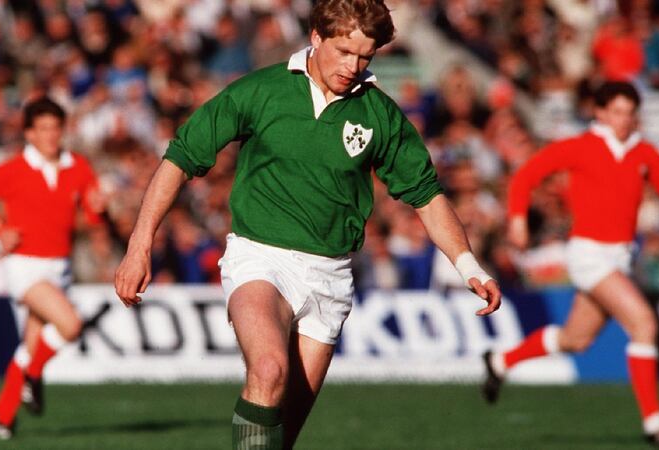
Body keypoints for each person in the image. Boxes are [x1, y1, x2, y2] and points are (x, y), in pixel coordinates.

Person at [114, 1, 502, 448]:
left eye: (365, 57)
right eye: (343, 52)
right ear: (316, 37)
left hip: (330, 276)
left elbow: (427, 197)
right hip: (259, 257)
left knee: (281, 433)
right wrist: (139, 245)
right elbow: (179, 158)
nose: (353, 66)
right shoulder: (262, 90)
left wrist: (469, 265)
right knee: (268, 370)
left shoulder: (379, 114)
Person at [482, 81, 659, 445]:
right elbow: (527, 174)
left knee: (575, 340)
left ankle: (500, 361)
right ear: (599, 112)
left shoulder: (643, 152)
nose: (623, 120)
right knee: (644, 324)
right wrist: (517, 219)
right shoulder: (582, 147)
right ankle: (654, 424)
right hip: (589, 255)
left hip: (619, 258)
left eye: (629, 113)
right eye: (616, 112)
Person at [0, 97, 104, 439]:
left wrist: (99, 210)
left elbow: (91, 214)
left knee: (30, 347)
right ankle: (32, 377)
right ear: (29, 133)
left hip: (61, 265)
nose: (51, 136)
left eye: (55, 128)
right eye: (43, 128)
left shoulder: (79, 167)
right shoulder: (14, 168)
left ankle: (0, 415)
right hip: (25, 265)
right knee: (70, 325)